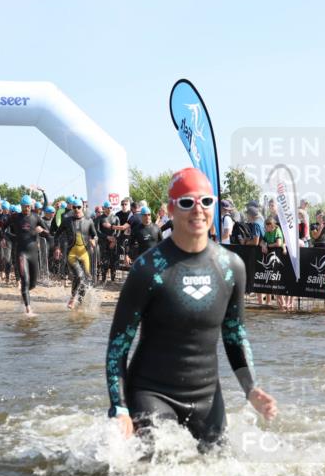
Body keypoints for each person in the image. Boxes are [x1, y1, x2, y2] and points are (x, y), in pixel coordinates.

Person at [105, 167, 277, 448]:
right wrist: (120, 408)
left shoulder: (230, 267)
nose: (198, 210)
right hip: (152, 392)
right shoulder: (148, 269)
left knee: (220, 475)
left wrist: (251, 389)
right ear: (172, 209)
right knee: (155, 470)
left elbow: (235, 336)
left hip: (207, 396)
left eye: (206, 202)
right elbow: (118, 345)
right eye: (187, 202)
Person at [6, 194, 50, 316]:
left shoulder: (36, 217)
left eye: (28, 207)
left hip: (33, 254)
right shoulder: (15, 217)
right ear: (21, 206)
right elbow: (2, 229)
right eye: (24, 207)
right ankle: (28, 308)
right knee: (25, 280)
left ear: (31, 206)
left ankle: (25, 295)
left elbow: (48, 232)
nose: (26, 209)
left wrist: (42, 231)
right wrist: (11, 238)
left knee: (33, 284)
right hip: (21, 253)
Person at [59, 200, 97, 309]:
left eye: (79, 207)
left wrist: (93, 240)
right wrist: (58, 247)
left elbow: (94, 235)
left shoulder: (89, 221)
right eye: (74, 207)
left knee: (85, 280)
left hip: (85, 253)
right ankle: (72, 298)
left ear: (83, 207)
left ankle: (79, 303)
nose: (76, 209)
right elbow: (57, 234)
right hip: (72, 254)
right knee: (79, 276)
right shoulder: (67, 221)